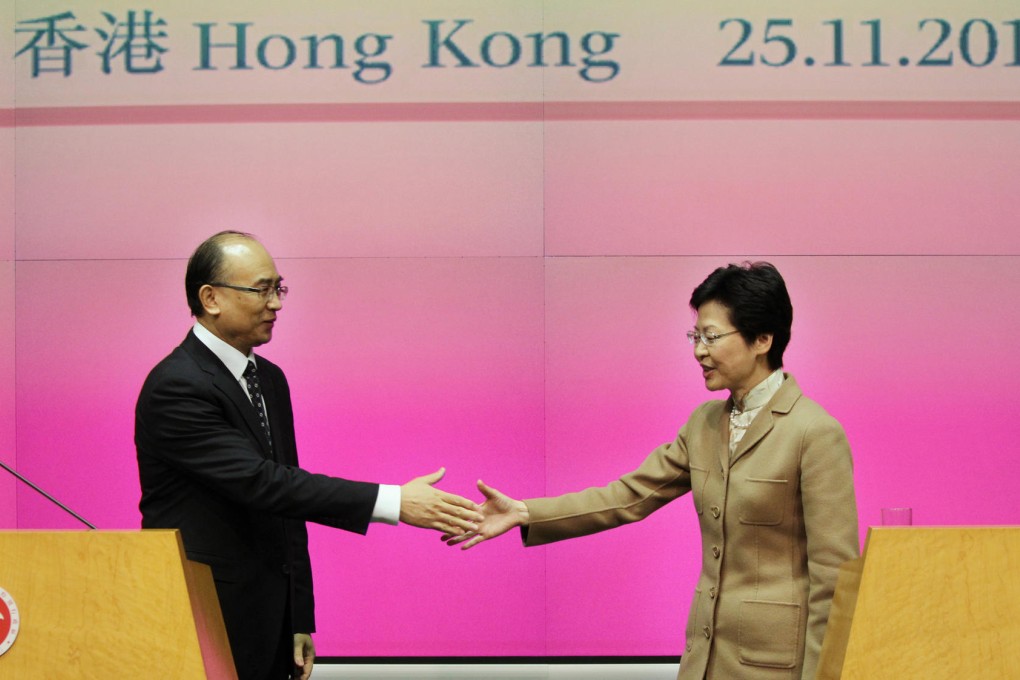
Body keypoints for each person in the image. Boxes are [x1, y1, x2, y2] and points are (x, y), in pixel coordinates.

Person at [446, 262, 859, 680]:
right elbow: (628, 496)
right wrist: (525, 512)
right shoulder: (703, 425)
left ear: (762, 339)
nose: (699, 350)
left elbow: (836, 581)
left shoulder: (814, 433)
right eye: (695, 336)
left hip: (775, 668)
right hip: (704, 663)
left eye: (712, 336)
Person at [136, 231, 482, 680]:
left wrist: (299, 616)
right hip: (205, 613)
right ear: (211, 297)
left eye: (278, 288)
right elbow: (262, 483)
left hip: (272, 617)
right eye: (262, 289)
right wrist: (394, 502)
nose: (276, 304)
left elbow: (286, 503)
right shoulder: (177, 386)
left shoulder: (269, 379)